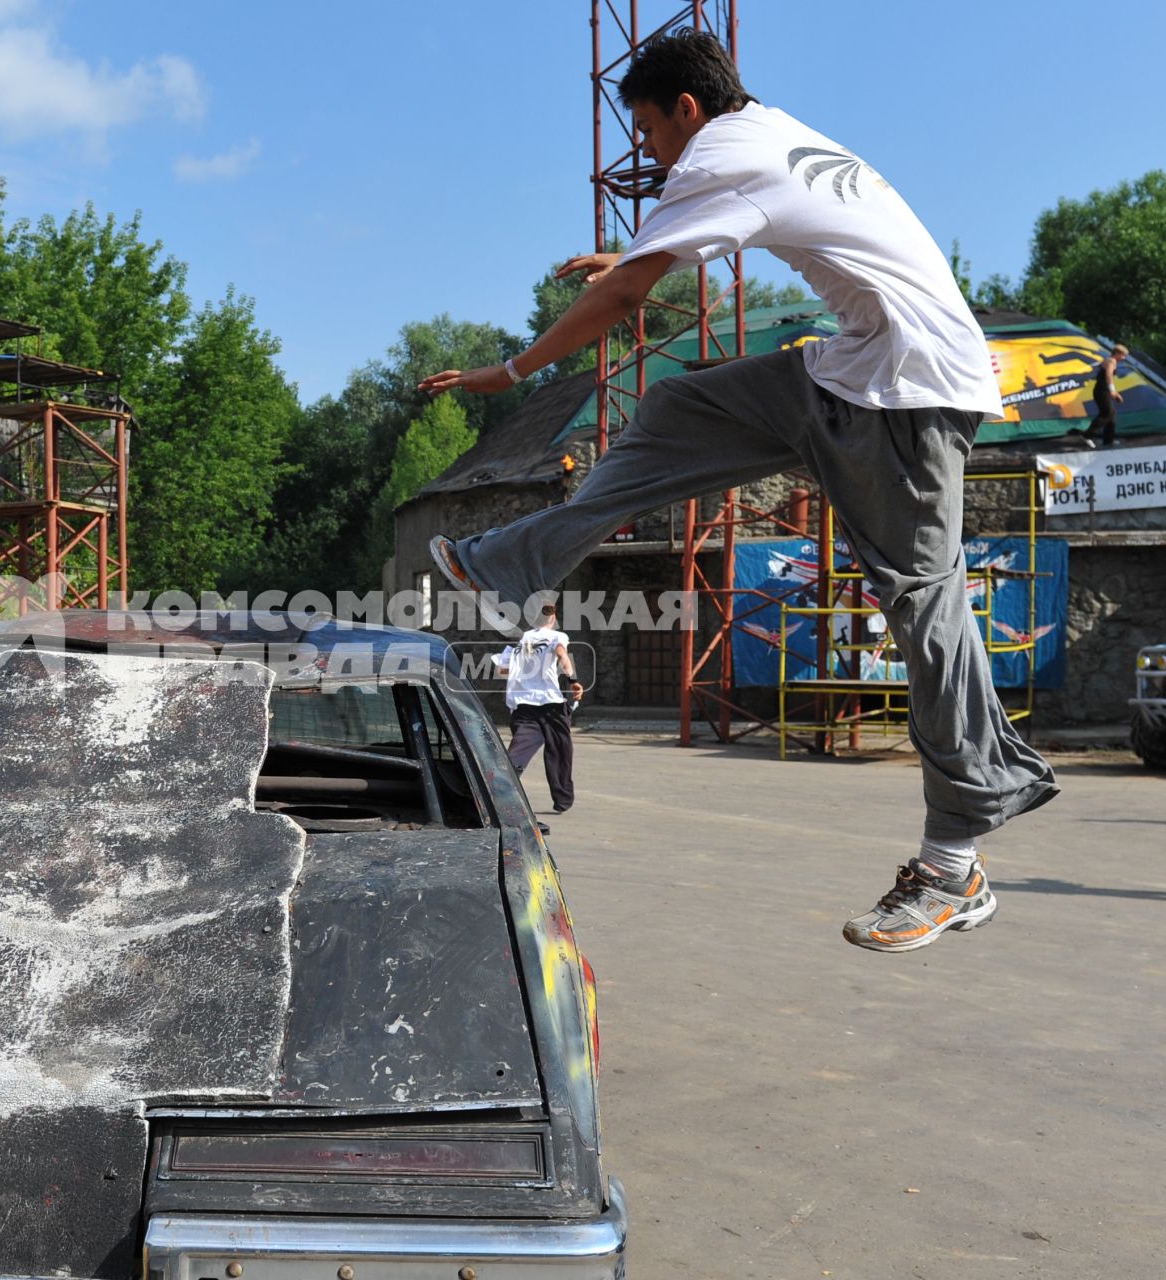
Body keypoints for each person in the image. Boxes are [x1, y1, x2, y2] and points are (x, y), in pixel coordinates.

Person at [417, 29, 1058, 954]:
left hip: (912, 393)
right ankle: (511, 563)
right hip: (848, 373)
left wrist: (512, 370)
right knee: (681, 405)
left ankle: (954, 861)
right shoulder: (769, 132)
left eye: (646, 128)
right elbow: (699, 243)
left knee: (925, 607)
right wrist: (628, 261)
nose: (644, 147)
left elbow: (632, 300)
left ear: (687, 107)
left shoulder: (720, 155)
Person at [495, 600, 584, 813]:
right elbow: (562, 655)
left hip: (523, 705)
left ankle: (497, 789)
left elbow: (502, 671)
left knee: (519, 750)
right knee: (560, 750)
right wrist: (573, 680)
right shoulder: (556, 637)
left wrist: (523, 671)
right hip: (551, 704)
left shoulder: (521, 641)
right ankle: (562, 800)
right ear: (553, 618)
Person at [1082, 343, 1127, 447]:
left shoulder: (1111, 361)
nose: (1124, 358)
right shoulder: (1111, 361)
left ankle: (1108, 442)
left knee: (1112, 415)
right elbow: (1108, 375)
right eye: (1123, 355)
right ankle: (1087, 435)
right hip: (1102, 391)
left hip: (1104, 391)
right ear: (1117, 353)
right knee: (1106, 414)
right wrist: (1112, 390)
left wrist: (1114, 392)